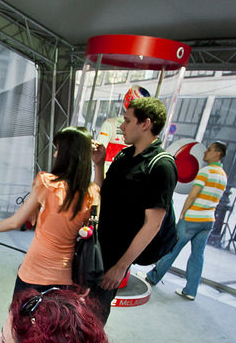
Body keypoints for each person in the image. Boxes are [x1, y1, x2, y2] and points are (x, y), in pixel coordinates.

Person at [0, 126, 98, 343]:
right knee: (47, 328)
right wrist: (101, 166)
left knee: (18, 324)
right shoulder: (92, 193)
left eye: (58, 148)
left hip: (34, 270)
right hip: (64, 276)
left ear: (65, 153)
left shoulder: (47, 184)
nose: (54, 152)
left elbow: (17, 221)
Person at [88, 95, 177, 323]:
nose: (122, 126)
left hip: (115, 256)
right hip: (97, 245)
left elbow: (153, 224)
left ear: (145, 124)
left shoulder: (162, 166)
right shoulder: (124, 155)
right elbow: (103, 192)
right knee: (78, 308)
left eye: (127, 121)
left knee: (93, 317)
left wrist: (121, 267)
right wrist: (98, 164)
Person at [145, 141, 228, 300]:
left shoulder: (205, 172)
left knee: (172, 248)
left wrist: (183, 214)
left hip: (192, 218)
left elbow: (193, 195)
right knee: (197, 256)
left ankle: (154, 277)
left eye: (209, 150)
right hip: (208, 220)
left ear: (217, 153)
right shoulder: (223, 175)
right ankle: (190, 291)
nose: (205, 152)